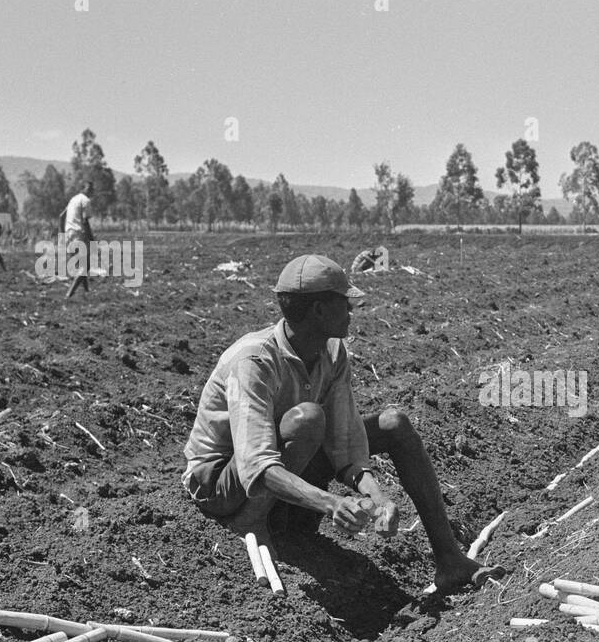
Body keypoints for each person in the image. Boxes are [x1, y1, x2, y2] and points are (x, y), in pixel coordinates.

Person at [182, 253, 505, 605]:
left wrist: (378, 499)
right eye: (344, 304)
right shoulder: (254, 361)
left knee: (392, 424)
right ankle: (251, 521)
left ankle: (450, 560)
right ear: (319, 310)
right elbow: (255, 465)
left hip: (285, 460)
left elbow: (346, 446)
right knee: (306, 419)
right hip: (222, 482)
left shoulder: (332, 351)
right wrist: (331, 503)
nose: (351, 312)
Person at [62, 181, 94, 298]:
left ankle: (86, 291)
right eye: (89, 188)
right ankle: (69, 294)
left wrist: (63, 235)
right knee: (86, 266)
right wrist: (92, 239)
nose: (91, 190)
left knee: (82, 264)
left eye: (92, 188)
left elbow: (62, 216)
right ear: (83, 189)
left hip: (69, 234)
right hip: (79, 234)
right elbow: (85, 222)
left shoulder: (73, 200)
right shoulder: (86, 201)